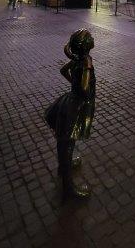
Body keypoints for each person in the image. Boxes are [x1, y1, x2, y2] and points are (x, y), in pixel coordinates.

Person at [45, 29, 96, 200]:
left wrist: (73, 83)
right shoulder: (86, 62)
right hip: (76, 106)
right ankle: (69, 189)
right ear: (86, 47)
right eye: (90, 37)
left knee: (66, 140)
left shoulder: (76, 59)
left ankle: (64, 166)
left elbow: (63, 71)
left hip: (69, 101)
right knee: (67, 142)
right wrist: (87, 69)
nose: (93, 38)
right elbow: (83, 89)